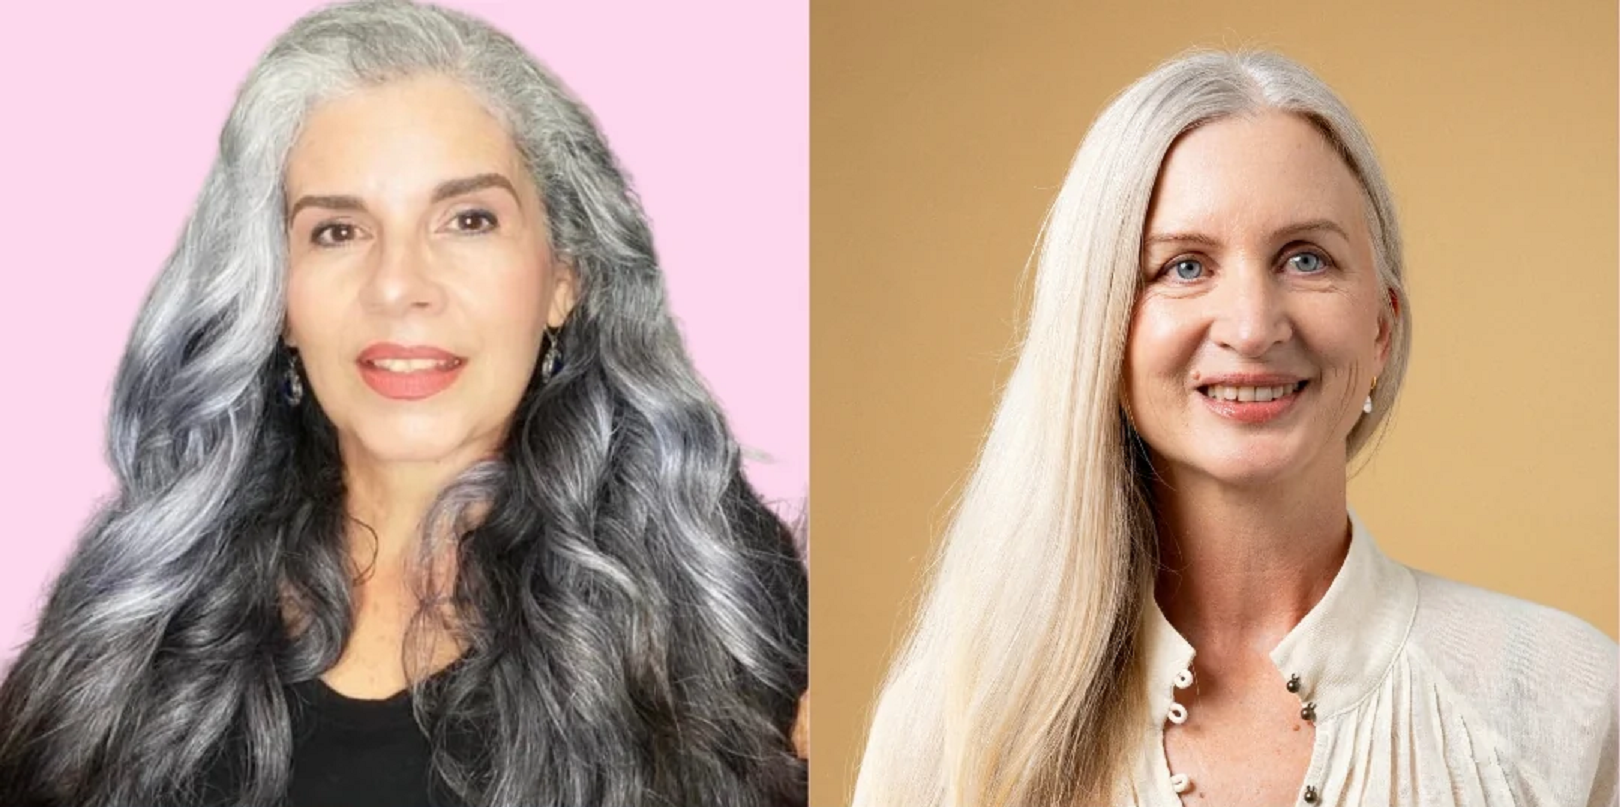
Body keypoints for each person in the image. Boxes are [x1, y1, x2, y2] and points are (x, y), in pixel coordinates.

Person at [0, 2, 807, 806]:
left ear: (565, 276)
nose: (398, 287)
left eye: (467, 219)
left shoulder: (728, 608)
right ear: (276, 298)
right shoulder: (140, 610)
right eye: (338, 231)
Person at [852, 49, 1616, 807]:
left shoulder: (1568, 700)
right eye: (1184, 266)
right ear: (1100, 330)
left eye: (1306, 258)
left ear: (1381, 328)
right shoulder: (947, 732)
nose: (1252, 327)